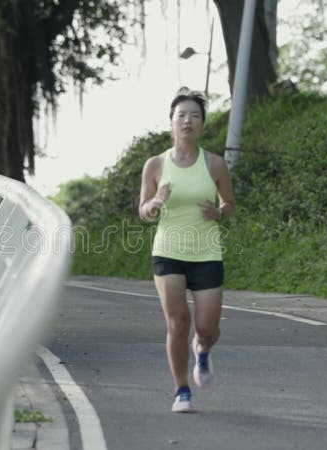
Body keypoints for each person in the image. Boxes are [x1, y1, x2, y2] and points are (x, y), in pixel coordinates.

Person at [138, 87, 235, 413]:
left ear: (202, 124)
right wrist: (155, 202)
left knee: (207, 329)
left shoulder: (215, 164)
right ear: (171, 122)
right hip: (168, 252)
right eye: (182, 115)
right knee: (178, 322)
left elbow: (229, 204)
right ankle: (181, 391)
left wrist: (219, 213)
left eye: (194, 115)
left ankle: (203, 351)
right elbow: (144, 211)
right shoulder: (155, 165)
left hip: (206, 253)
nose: (188, 121)